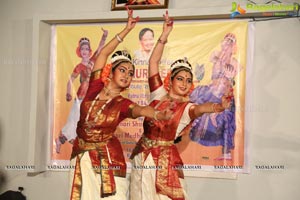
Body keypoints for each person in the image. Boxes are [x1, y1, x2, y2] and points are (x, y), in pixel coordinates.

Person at [69, 7, 171, 200]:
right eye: (123, 70)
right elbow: (102, 55)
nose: (127, 75)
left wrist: (158, 114)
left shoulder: (122, 103)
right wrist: (126, 30)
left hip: (108, 161)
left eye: (131, 73)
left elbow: (140, 110)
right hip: (81, 157)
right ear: (111, 72)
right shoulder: (94, 87)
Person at [129, 11, 233, 200]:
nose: (184, 84)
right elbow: (153, 62)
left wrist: (218, 107)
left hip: (165, 161)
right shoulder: (158, 95)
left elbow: (201, 109)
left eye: (188, 80)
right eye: (180, 79)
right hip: (142, 156)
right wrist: (164, 36)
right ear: (171, 80)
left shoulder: (187, 108)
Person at [189, 33, 242, 161]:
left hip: (224, 95)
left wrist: (226, 80)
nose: (225, 48)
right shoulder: (216, 58)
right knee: (197, 97)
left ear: (232, 47)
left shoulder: (235, 63)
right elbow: (214, 78)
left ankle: (226, 151)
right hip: (213, 91)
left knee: (225, 117)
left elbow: (230, 83)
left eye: (228, 46)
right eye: (223, 45)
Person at [55, 29, 108, 154]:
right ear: (80, 51)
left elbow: (100, 48)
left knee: (86, 121)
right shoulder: (79, 67)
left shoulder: (93, 61)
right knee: (74, 120)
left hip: (91, 96)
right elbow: (70, 80)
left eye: (86, 49)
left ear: (89, 51)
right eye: (82, 49)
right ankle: (62, 140)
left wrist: (104, 36)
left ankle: (80, 145)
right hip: (80, 97)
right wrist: (68, 92)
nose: (84, 51)